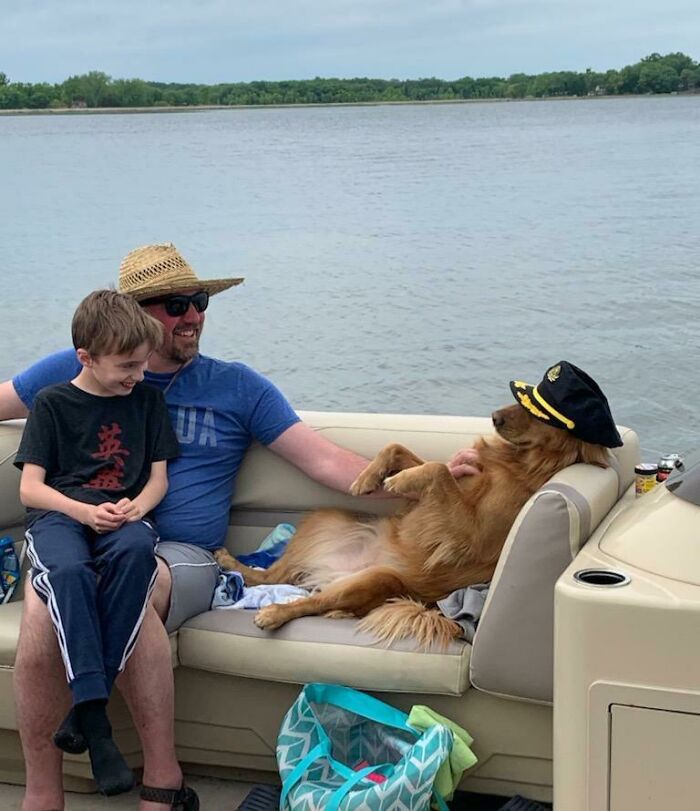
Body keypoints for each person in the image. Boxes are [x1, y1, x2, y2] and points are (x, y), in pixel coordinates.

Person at [0, 243, 480, 811]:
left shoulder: (237, 386)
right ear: (134, 314)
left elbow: (326, 463)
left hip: (182, 553)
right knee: (45, 602)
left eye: (199, 302)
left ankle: (161, 782)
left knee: (136, 585)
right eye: (175, 305)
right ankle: (43, 794)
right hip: (78, 533)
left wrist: (433, 478)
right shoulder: (79, 367)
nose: (192, 316)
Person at [14, 290, 180, 798]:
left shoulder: (148, 401)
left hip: (125, 517)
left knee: (135, 555)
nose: (139, 375)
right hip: (62, 518)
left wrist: (137, 509)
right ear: (86, 357)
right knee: (68, 575)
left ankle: (88, 710)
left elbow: (158, 479)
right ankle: (97, 725)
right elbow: (31, 489)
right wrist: (84, 511)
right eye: (127, 366)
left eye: (144, 363)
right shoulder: (52, 404)